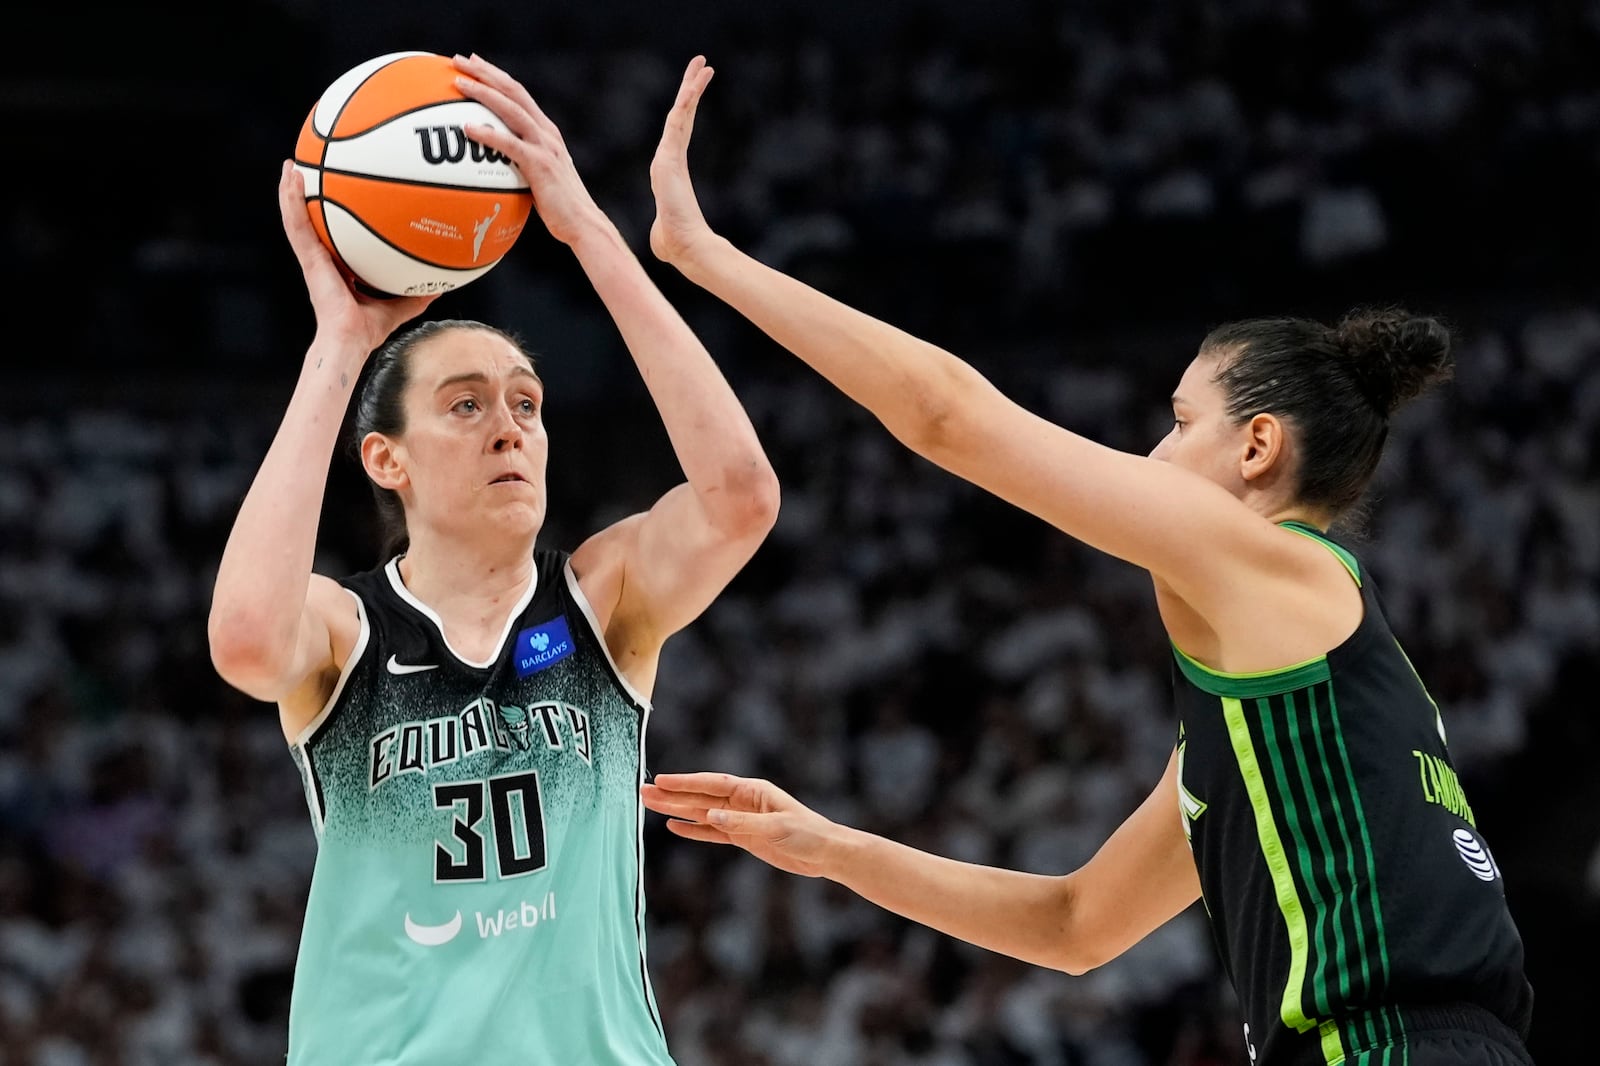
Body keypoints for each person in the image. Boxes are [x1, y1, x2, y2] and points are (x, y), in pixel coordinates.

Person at [638, 63, 1536, 1066]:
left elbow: (948, 418)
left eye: (1179, 422)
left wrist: (704, 255)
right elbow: (1073, 926)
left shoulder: (1271, 564)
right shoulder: (1286, 697)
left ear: (1256, 450)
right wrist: (829, 848)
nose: (1153, 453)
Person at [208, 55, 779, 1066]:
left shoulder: (602, 601)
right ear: (387, 459)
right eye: (465, 404)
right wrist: (338, 347)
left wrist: (588, 232)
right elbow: (248, 640)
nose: (510, 427)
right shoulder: (348, 632)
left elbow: (741, 498)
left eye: (526, 403)